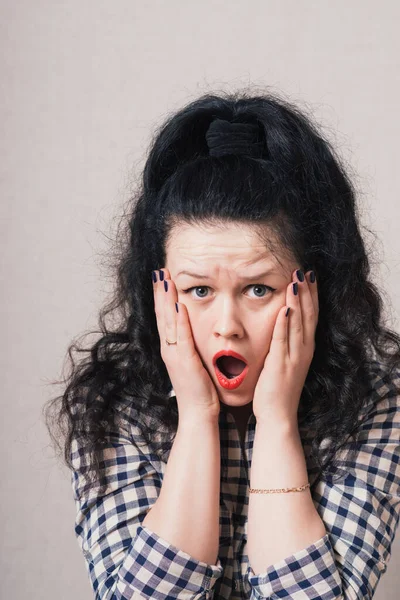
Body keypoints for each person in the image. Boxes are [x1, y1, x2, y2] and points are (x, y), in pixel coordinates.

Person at [44, 91, 400, 599]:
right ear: (161, 292)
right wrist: (195, 419)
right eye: (199, 291)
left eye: (259, 289)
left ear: (313, 291)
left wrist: (278, 421)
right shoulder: (112, 403)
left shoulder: (378, 401)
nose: (227, 326)